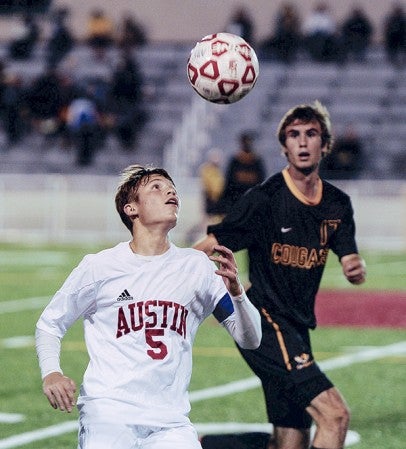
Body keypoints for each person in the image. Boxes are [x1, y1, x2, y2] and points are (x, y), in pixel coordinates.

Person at [35, 164, 261, 449]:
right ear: (131, 209)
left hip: (171, 421)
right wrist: (51, 372)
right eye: (156, 186)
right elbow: (50, 324)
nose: (170, 191)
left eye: (172, 188)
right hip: (108, 414)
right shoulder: (100, 266)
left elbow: (250, 339)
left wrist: (238, 294)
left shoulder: (197, 267)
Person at [194, 101, 366, 449]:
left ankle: (200, 445)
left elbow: (349, 256)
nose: (302, 142)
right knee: (335, 416)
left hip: (297, 328)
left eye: (311, 134)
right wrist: (157, 271)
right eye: (294, 135)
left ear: (325, 144)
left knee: (291, 442)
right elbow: (212, 242)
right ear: (284, 146)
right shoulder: (264, 200)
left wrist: (354, 267)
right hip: (264, 321)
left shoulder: (337, 204)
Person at [219, 131, 266, 214]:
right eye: (245, 141)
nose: (247, 144)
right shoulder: (235, 160)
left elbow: (261, 181)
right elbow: (228, 183)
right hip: (236, 200)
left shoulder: (257, 161)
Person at [383, 3, 406, 67]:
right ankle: (392, 61)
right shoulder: (390, 19)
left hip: (402, 39)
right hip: (392, 40)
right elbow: (386, 29)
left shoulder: (404, 20)